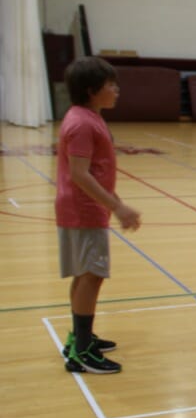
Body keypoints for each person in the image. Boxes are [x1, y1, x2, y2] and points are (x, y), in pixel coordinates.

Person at [56, 56, 142, 374]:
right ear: (92, 90)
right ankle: (81, 352)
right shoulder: (81, 123)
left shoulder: (87, 117)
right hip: (84, 210)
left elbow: (94, 172)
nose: (116, 90)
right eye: (110, 85)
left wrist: (114, 201)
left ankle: (80, 337)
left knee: (85, 274)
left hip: (84, 208)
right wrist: (117, 207)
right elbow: (80, 174)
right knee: (92, 275)